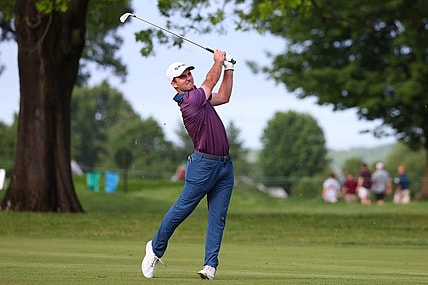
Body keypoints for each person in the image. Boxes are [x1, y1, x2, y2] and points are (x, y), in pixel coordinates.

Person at [141, 50, 235, 280]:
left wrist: (229, 69)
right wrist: (218, 62)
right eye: (182, 76)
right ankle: (155, 247)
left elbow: (223, 96)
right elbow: (211, 81)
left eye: (189, 73)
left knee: (218, 217)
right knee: (182, 210)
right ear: (174, 84)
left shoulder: (200, 98)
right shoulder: (190, 101)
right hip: (203, 166)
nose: (188, 77)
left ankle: (210, 265)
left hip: (224, 166)